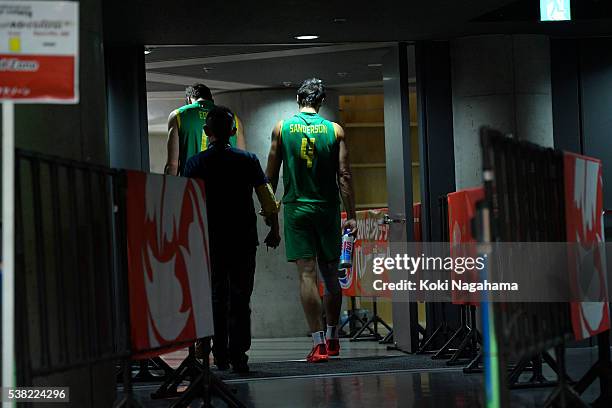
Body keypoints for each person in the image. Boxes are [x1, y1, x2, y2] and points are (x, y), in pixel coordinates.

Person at [265, 78, 357, 363]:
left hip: (296, 210)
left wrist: (271, 216)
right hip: (327, 209)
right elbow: (344, 175)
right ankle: (333, 336)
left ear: (297, 99)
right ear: (322, 100)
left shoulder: (282, 128)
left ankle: (317, 344)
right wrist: (351, 215)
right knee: (331, 277)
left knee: (307, 274)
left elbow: (268, 178)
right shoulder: (335, 130)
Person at [183, 106, 280, 374]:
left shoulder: (195, 163)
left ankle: (220, 354)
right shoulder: (248, 160)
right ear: (234, 131)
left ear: (207, 132)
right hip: (243, 240)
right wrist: (274, 229)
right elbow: (267, 200)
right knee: (240, 297)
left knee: (216, 296)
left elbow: (184, 204)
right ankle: (239, 355)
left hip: (209, 240)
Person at [165, 83, 246, 176]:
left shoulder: (178, 115)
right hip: (228, 186)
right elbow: (242, 159)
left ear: (189, 100)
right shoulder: (234, 118)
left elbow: (173, 165)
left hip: (193, 187)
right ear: (211, 100)